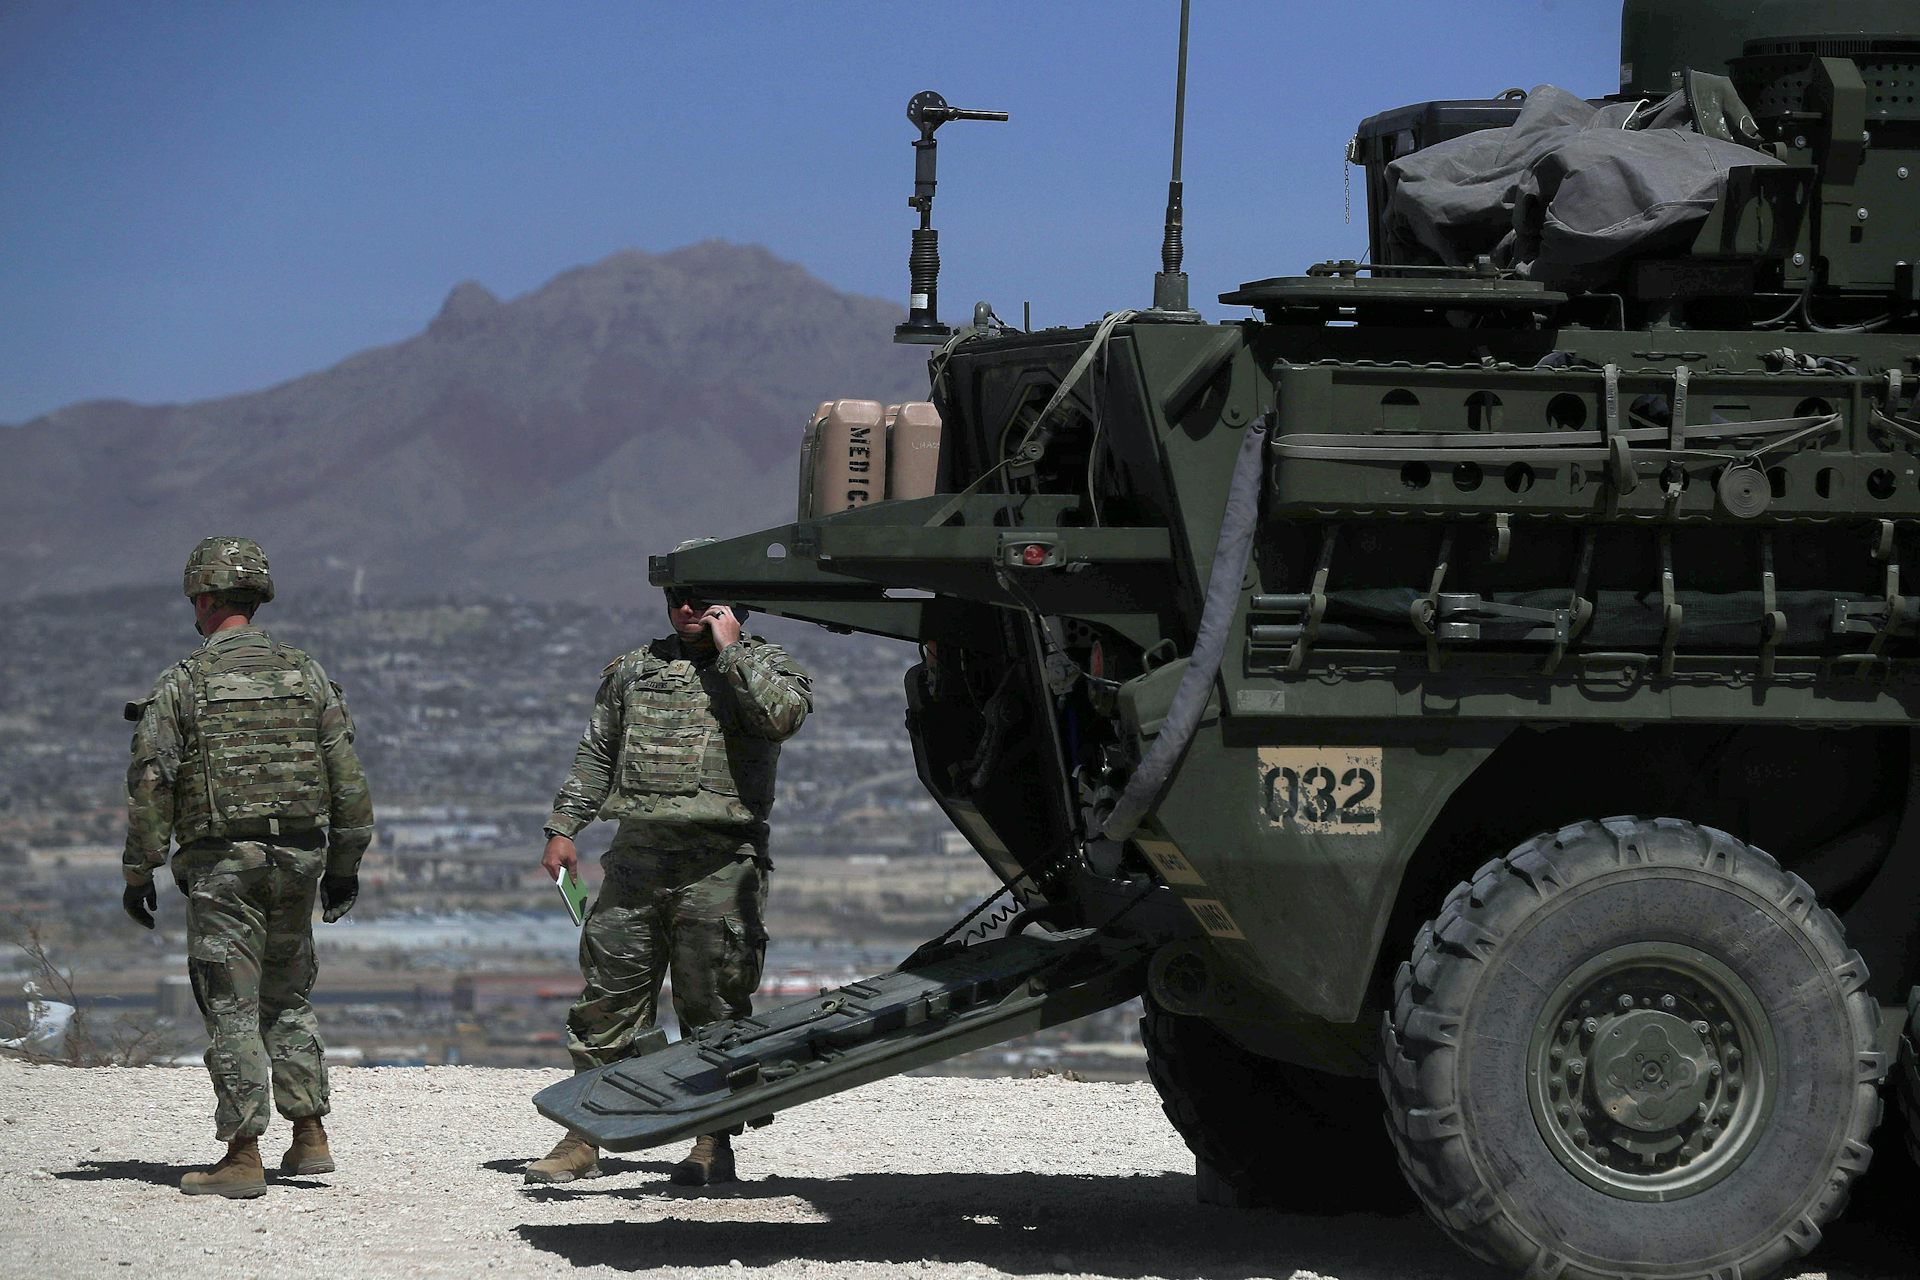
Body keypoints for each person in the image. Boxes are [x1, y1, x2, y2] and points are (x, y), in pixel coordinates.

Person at [526, 562, 811, 1188]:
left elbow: (783, 718)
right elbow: (598, 752)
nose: (688, 609)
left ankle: (712, 1141)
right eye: (679, 598)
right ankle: (584, 1133)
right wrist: (564, 827)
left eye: (703, 599)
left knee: (713, 1005)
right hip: (638, 857)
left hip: (720, 863)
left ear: (734, 605)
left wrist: (732, 651)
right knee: (608, 998)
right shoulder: (634, 670)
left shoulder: (764, 667)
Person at [122, 537, 374, 1198]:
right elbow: (348, 781)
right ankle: (310, 1135)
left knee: (231, 1004)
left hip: (222, 867)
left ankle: (242, 1155)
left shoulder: (185, 680)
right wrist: (344, 866)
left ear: (204, 598)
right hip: (297, 861)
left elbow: (153, 781)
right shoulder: (307, 674)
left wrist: (138, 870)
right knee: (288, 995)